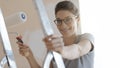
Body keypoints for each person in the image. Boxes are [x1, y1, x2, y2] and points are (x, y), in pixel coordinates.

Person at [16, 1, 94, 68]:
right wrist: (29, 56)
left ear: (78, 19)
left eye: (68, 19)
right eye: (59, 21)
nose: (63, 25)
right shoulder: (55, 45)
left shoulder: (86, 38)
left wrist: (62, 50)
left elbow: (78, 50)